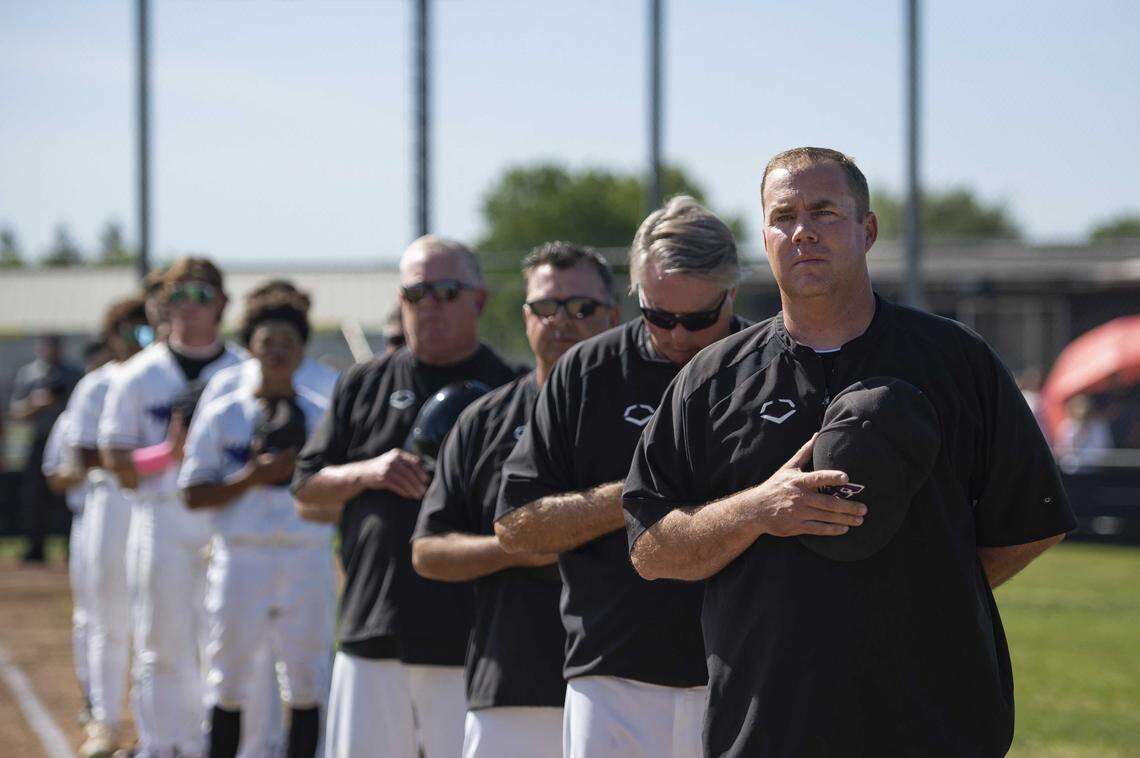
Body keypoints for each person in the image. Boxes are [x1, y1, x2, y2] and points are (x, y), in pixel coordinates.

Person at [622, 147, 1076, 757]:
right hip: (768, 727)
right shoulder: (710, 380)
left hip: (936, 722)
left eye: (824, 211)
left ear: (867, 230)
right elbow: (650, 550)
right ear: (764, 237)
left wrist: (928, 595)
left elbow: (1030, 523)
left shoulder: (955, 361)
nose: (802, 231)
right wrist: (758, 509)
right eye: (783, 216)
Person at [494, 197, 749, 758]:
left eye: (700, 318)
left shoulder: (772, 366)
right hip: (612, 676)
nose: (679, 336)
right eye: (659, 316)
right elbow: (517, 527)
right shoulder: (586, 371)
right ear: (635, 295)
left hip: (748, 673)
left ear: (732, 293)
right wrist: (639, 495)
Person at [292, 235, 521, 758]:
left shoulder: (511, 389)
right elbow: (306, 489)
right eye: (416, 294)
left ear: (478, 300)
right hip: (374, 627)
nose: (429, 306)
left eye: (445, 291)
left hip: (473, 635)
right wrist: (370, 471)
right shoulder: (363, 384)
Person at [412, 242, 620, 758]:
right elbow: (428, 551)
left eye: (582, 308)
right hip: (513, 683)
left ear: (614, 314)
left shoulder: (656, 409)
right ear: (526, 316)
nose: (562, 321)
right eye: (546, 307)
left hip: (634, 681)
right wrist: (520, 545)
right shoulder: (484, 419)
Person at [99, 257, 246, 757]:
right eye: (178, 295)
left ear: (223, 303)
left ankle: (217, 744)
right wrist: (167, 453)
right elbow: (116, 461)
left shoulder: (244, 371)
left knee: (227, 644)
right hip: (161, 513)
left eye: (202, 295)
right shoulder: (136, 376)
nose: (189, 306)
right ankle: (163, 744)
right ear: (162, 304)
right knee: (161, 639)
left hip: (228, 517)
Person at [181, 291, 335, 758]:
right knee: (227, 674)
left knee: (306, 675)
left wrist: (300, 480)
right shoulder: (224, 411)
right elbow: (192, 492)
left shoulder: (322, 414)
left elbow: (343, 488)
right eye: (267, 341)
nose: (277, 351)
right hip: (240, 556)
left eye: (288, 341)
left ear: (302, 350)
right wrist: (254, 477)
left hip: (304, 554)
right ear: (251, 347)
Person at [66, 296, 150, 758]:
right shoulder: (97, 386)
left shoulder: (162, 375)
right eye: (129, 331)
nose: (139, 341)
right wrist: (146, 456)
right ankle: (106, 721)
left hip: (157, 501)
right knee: (108, 616)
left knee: (157, 619)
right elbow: (84, 454)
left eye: (145, 330)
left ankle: (154, 723)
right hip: (111, 501)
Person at [9, 333, 83, 562]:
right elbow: (15, 412)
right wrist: (36, 403)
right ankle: (35, 548)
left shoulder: (72, 373)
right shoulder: (29, 374)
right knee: (34, 496)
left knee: (68, 493)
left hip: (66, 440)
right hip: (39, 438)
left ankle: (70, 546)